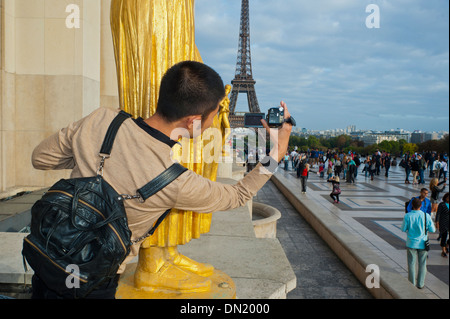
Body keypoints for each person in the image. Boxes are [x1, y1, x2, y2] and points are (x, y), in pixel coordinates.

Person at [30, 61, 293, 299]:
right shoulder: (176, 182)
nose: (214, 124)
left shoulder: (102, 119)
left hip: (49, 256)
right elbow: (239, 195)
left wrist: (87, 155)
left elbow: (40, 158)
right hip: (92, 282)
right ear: (193, 122)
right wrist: (276, 152)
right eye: (213, 116)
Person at [401, 198, 436, 289]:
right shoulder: (426, 216)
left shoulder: (407, 216)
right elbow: (433, 229)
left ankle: (411, 283)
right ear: (421, 206)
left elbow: (403, 229)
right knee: (422, 264)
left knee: (411, 264)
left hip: (411, 243)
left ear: (412, 205)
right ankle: (420, 284)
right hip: (423, 243)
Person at [436, 193, 449, 257]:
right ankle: (443, 251)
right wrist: (437, 222)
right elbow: (438, 214)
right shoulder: (442, 204)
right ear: (446, 197)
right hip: (443, 222)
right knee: (444, 236)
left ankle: (446, 245)